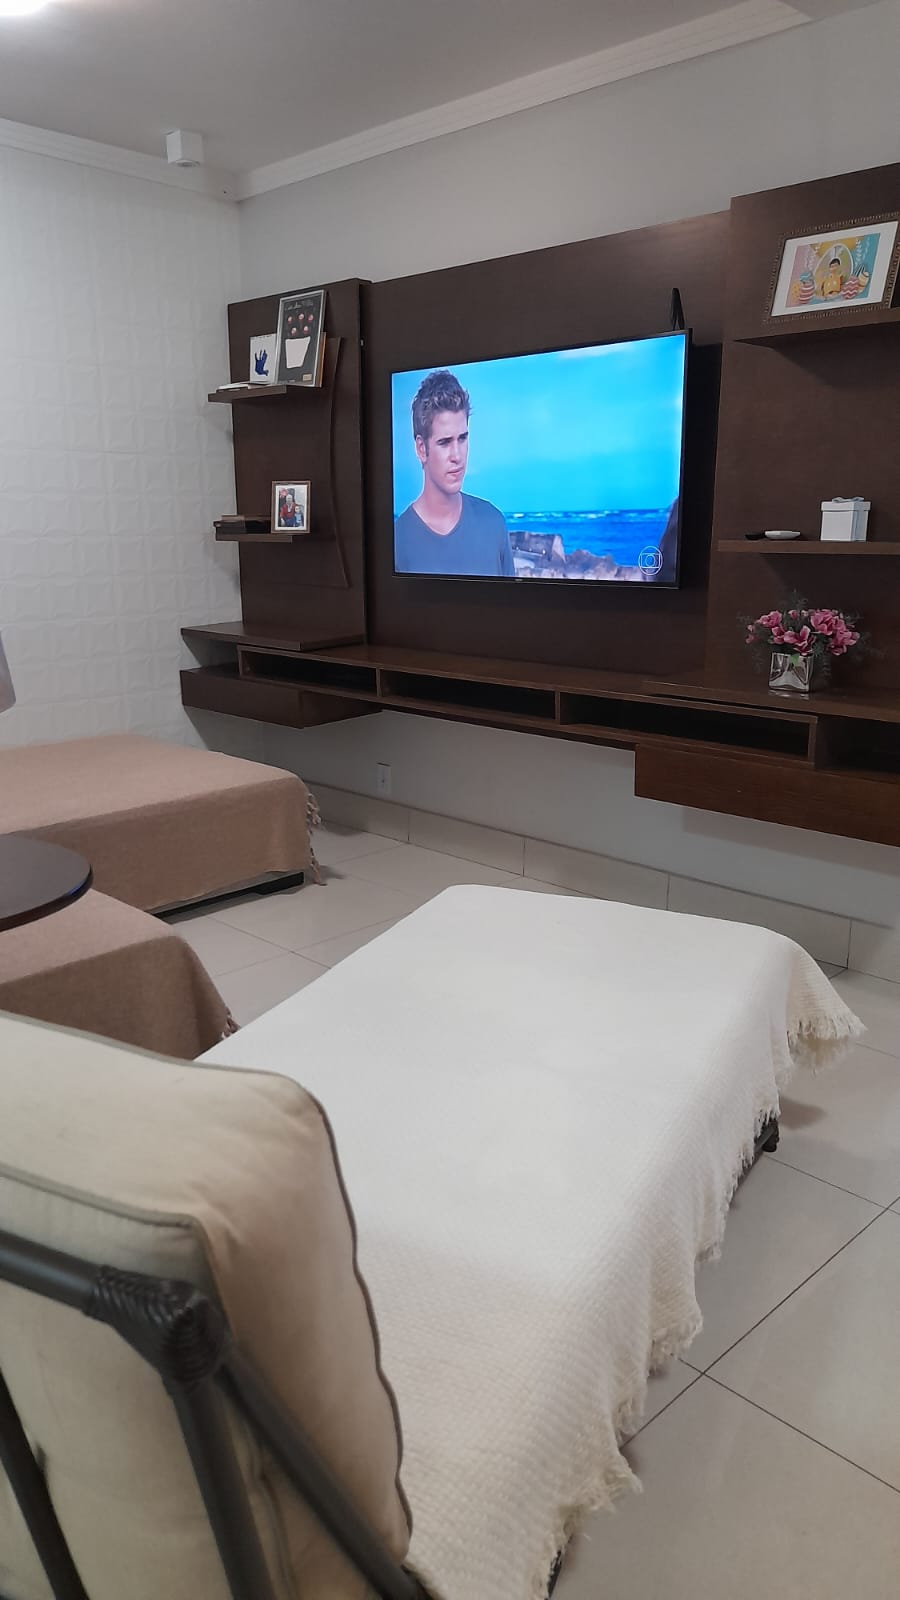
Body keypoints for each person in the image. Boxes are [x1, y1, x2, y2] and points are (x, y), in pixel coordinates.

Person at [395, 370, 515, 576]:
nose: (457, 455)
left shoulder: (493, 523)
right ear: (421, 449)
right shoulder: (398, 541)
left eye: (462, 439)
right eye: (445, 442)